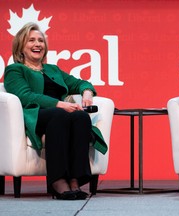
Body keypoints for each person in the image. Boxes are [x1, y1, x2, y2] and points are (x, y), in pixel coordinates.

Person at [4, 22, 108, 200]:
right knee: (62, 114)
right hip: (36, 115)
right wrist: (59, 104)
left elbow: (80, 83)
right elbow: (25, 96)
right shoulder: (15, 70)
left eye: (41, 41)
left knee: (81, 117)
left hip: (60, 116)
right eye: (31, 40)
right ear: (21, 46)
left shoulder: (52, 70)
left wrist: (87, 93)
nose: (38, 44)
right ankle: (58, 181)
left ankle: (75, 180)